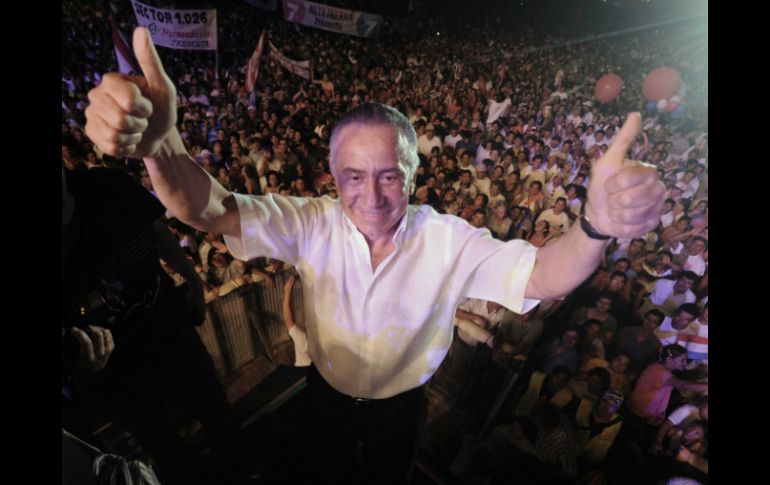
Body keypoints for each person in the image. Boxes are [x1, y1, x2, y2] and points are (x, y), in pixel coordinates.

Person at [84, 27, 665, 483]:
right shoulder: (311, 222)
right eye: (353, 176)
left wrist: (595, 226)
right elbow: (209, 210)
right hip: (326, 392)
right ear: (332, 176)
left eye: (389, 175)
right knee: (328, 468)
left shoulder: (449, 239)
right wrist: (164, 151)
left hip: (400, 407)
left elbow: (542, 274)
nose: (370, 196)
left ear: (413, 174)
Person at [61, 168, 260, 485]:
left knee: (214, 408)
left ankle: (243, 467)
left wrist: (192, 281)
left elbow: (155, 230)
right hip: (121, 372)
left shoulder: (107, 184)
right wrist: (79, 364)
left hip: (169, 327)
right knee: (165, 448)